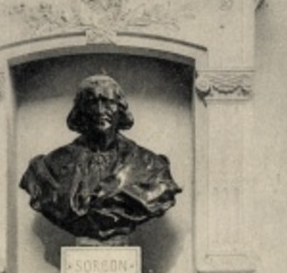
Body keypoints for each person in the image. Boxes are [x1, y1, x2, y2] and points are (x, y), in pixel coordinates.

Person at [20, 74, 181, 242]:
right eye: (91, 102)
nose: (100, 110)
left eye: (108, 101)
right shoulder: (49, 166)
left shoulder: (150, 165)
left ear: (120, 108)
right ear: (80, 111)